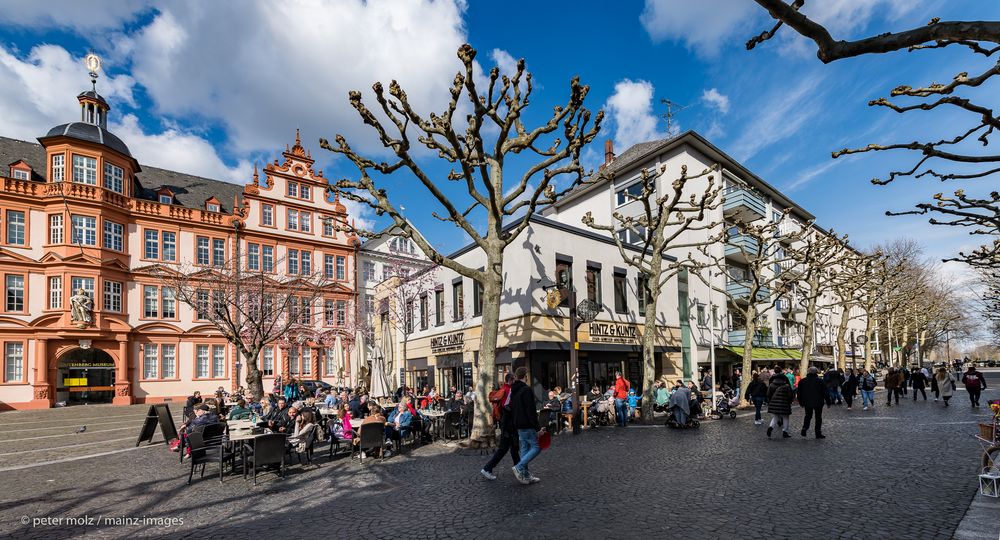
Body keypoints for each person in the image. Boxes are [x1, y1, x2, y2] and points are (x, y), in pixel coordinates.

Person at [481, 373, 521, 480]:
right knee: (505, 448)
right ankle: (487, 468)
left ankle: (520, 469)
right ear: (512, 380)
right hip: (508, 425)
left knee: (513, 448)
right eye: (515, 380)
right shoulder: (509, 391)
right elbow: (506, 406)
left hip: (505, 424)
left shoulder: (503, 389)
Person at [509, 367, 542, 485]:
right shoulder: (526, 390)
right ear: (525, 376)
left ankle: (525, 474)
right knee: (537, 447)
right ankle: (519, 467)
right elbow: (531, 410)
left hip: (518, 423)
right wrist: (537, 427)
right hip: (527, 423)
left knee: (525, 448)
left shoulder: (514, 390)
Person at [797, 367, 826, 439]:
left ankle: (805, 428)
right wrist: (828, 401)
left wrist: (800, 402)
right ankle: (818, 433)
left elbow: (799, 393)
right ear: (816, 372)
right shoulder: (820, 381)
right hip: (818, 402)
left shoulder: (802, 381)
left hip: (807, 402)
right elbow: (824, 392)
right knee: (818, 417)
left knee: (808, 416)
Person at [766, 369, 793, 438]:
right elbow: (790, 396)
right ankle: (785, 432)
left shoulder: (772, 384)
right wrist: (790, 402)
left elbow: (768, 394)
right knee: (785, 417)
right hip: (784, 403)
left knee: (775, 417)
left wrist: (770, 401)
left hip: (773, 402)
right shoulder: (786, 386)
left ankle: (770, 427)